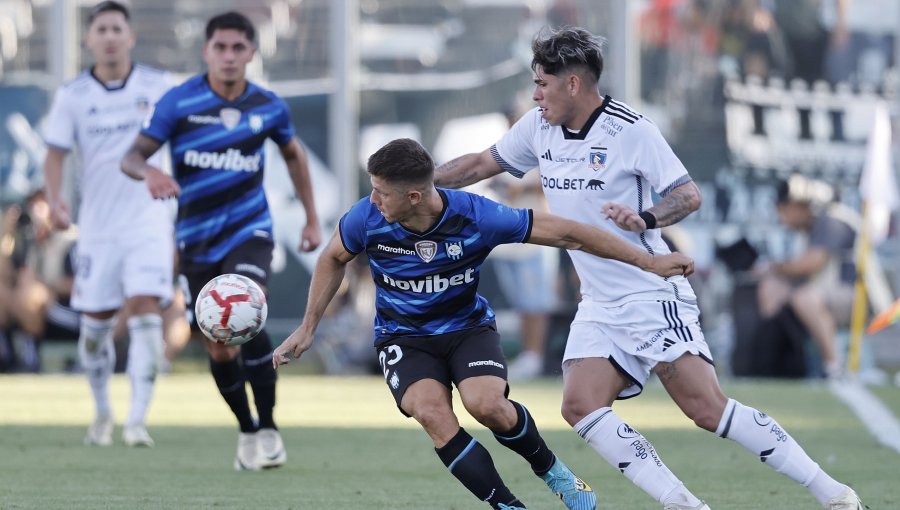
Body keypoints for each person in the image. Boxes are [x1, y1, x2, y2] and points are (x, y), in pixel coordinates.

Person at [432, 26, 862, 510]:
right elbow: (477, 165)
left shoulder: (631, 129)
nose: (535, 94)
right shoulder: (537, 126)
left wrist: (647, 218)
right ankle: (684, 505)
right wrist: (416, 179)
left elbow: (688, 194)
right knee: (579, 404)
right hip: (598, 300)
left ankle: (834, 494)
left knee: (705, 408)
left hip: (648, 291)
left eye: (543, 84)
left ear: (573, 84)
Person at [273, 138, 694, 510]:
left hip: (467, 329)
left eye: (382, 192)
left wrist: (649, 261)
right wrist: (308, 328)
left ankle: (553, 472)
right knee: (431, 412)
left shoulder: (478, 217)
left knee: (487, 405)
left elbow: (569, 233)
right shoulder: (364, 218)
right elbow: (332, 257)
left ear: (415, 196)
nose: (373, 199)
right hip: (403, 337)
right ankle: (508, 506)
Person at [121, 11, 321, 471]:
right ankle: (247, 431)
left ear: (252, 52)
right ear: (206, 51)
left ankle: (269, 427)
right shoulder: (179, 102)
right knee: (218, 343)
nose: (229, 57)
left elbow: (294, 156)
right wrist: (150, 171)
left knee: (247, 308)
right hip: (195, 240)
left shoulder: (269, 105)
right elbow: (132, 156)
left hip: (249, 229)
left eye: (238, 48)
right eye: (220, 48)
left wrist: (311, 219)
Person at [42, 0, 176, 447]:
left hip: (149, 221)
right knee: (95, 328)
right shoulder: (73, 95)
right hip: (97, 227)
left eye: (118, 28)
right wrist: (56, 201)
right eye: (102, 29)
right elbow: (55, 154)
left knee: (145, 311)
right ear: (89, 39)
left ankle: (138, 419)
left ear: (130, 37)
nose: (110, 36)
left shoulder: (159, 86)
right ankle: (102, 410)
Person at [756, 175, 856, 379]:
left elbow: (808, 265)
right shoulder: (807, 229)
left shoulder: (832, 220)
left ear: (800, 206)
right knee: (772, 288)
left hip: (858, 298)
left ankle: (835, 368)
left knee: (805, 298)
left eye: (784, 210)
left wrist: (772, 267)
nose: (781, 219)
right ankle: (777, 363)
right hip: (824, 293)